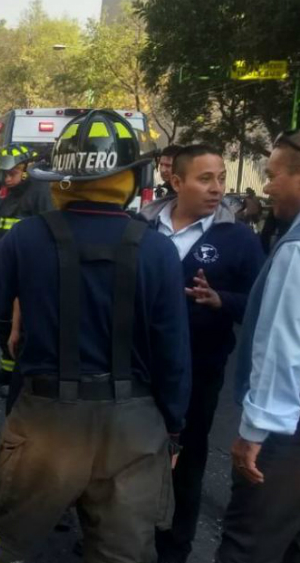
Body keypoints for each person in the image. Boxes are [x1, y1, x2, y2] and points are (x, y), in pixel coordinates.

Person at [0, 110, 190, 563]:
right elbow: (174, 353)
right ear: (131, 177)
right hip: (135, 430)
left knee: (1, 546)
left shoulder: (29, 238)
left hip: (46, 425)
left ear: (62, 177)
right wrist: (172, 429)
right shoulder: (156, 249)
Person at [138, 144, 264, 563]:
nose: (217, 189)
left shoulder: (238, 238)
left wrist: (220, 300)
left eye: (222, 178)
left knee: (185, 465)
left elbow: (259, 306)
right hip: (136, 372)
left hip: (199, 375)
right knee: (128, 459)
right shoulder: (142, 228)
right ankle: (118, 537)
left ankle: (173, 549)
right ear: (176, 182)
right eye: (205, 179)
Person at [215, 130, 300, 563]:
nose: (265, 187)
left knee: (249, 545)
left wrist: (253, 431)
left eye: (273, 175)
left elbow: (283, 347)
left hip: (283, 436)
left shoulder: (296, 247)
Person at [0, 143, 53, 389]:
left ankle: (20, 381)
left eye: (12, 173)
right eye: (4, 174)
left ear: (25, 169)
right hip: (8, 270)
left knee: (24, 328)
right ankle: (7, 371)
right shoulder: (13, 194)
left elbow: (48, 231)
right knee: (3, 324)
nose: (6, 179)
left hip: (28, 272)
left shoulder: (40, 192)